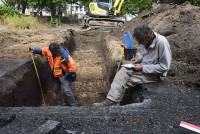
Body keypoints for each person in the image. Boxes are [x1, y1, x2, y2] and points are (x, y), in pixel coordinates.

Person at [93, 24, 172, 106]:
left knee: (125, 80)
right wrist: (139, 60)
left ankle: (112, 102)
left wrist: (142, 67)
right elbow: (145, 55)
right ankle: (114, 101)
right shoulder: (146, 41)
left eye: (141, 41)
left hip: (155, 74)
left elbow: (164, 67)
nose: (139, 43)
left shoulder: (162, 43)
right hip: (145, 69)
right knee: (123, 71)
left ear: (148, 37)